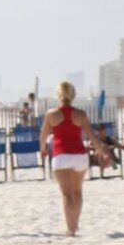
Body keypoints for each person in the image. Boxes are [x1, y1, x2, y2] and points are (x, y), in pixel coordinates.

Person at [42, 82, 91, 235]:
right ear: (73, 94)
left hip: (61, 155)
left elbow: (43, 136)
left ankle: (70, 228)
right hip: (80, 156)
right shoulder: (80, 114)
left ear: (58, 95)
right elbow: (91, 135)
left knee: (66, 194)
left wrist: (43, 150)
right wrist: (103, 151)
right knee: (77, 192)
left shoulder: (51, 114)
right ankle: (75, 223)